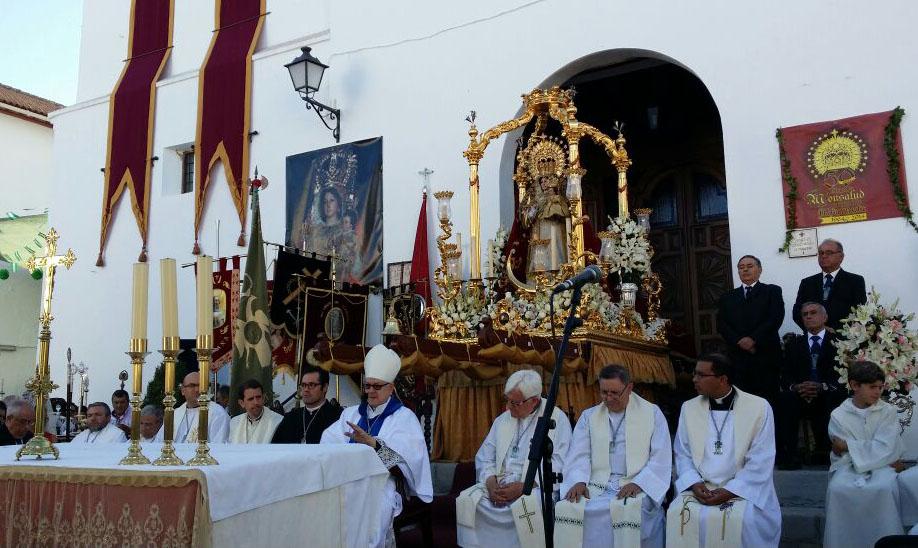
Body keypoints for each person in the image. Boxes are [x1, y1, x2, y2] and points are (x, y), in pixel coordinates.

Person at [321, 344, 433, 547]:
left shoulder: (404, 418)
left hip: (383, 484)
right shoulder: (351, 414)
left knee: (376, 511)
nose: (371, 391)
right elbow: (328, 443)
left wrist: (374, 444)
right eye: (368, 386)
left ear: (390, 387)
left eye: (377, 386)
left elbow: (404, 465)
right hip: (348, 480)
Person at [666, 353, 781, 547]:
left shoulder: (758, 407)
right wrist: (694, 483)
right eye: (695, 374)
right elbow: (683, 453)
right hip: (701, 486)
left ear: (722, 379)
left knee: (744, 520)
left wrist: (730, 490)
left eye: (701, 375)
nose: (694, 379)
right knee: (679, 513)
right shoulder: (689, 408)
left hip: (744, 488)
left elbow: (761, 459)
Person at [554, 365, 672, 547]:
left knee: (628, 510)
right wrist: (578, 481)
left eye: (615, 393)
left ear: (629, 388)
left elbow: (660, 457)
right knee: (569, 508)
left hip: (636, 483)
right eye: (604, 392)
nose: (608, 398)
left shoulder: (652, 413)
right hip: (597, 483)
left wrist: (640, 483)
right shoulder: (589, 416)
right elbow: (579, 454)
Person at [455, 370, 572, 547]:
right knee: (468, 500)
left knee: (531, 505)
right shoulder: (502, 420)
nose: (508, 407)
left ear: (534, 401)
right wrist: (491, 483)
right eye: (508, 400)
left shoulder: (556, 419)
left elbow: (560, 462)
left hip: (535, 486)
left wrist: (524, 487)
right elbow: (485, 457)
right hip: (500, 483)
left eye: (515, 403)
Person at [823, 361, 904, 547]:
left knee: (883, 487)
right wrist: (856, 449)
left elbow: (886, 447)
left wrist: (848, 446)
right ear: (854, 385)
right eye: (872, 387)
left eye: (880, 387)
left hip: (883, 467)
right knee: (838, 488)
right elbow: (841, 452)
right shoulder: (838, 415)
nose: (877, 392)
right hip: (848, 467)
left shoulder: (888, 411)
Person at [776, 302, 847, 469]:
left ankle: (827, 452)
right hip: (800, 393)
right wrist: (797, 387)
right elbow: (786, 374)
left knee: (834, 398)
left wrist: (822, 386)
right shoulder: (794, 344)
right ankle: (790, 455)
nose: (808, 316)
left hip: (828, 392)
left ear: (825, 317)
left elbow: (842, 374)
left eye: (813, 313)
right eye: (805, 314)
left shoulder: (839, 342)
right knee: (784, 400)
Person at [716, 254, 784, 400]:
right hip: (737, 358)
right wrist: (739, 341)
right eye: (741, 267)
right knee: (741, 401)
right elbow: (722, 324)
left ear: (759, 270)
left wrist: (753, 339)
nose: (745, 270)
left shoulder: (772, 291)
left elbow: (775, 318)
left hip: (766, 356)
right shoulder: (728, 297)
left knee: (768, 401)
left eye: (749, 266)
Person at [792, 239, 867, 331]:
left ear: (841, 256)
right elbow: (797, 312)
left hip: (843, 336)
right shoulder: (807, 283)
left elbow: (860, 311)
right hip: (815, 336)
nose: (823, 256)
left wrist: (836, 331)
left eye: (829, 253)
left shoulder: (855, 281)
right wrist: (816, 330)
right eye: (821, 253)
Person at [272, 366, 343, 444]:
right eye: (303, 385)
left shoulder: (338, 417)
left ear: (325, 387)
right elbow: (275, 448)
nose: (306, 390)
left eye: (311, 385)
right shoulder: (290, 418)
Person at [155, 371, 230, 443]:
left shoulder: (217, 413)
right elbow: (159, 442)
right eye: (192, 385)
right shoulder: (174, 414)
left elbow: (218, 446)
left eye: (201, 385)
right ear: (183, 390)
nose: (197, 389)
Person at [229, 379, 283, 443]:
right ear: (242, 403)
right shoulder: (235, 422)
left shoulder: (278, 421)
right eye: (251, 399)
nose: (256, 402)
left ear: (263, 398)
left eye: (258, 397)